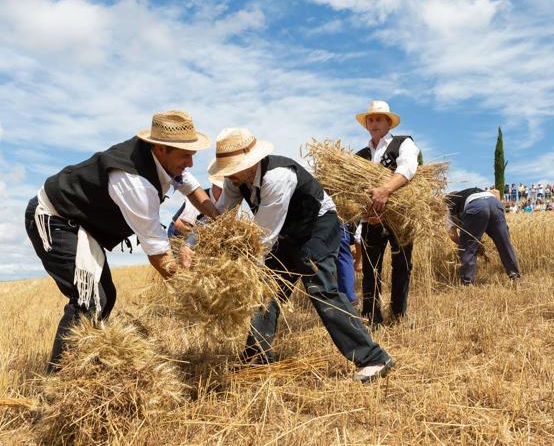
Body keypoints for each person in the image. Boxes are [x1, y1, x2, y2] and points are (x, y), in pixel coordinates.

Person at [25, 110, 218, 372]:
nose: (190, 163)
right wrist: (192, 293)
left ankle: (81, 364)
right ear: (161, 149)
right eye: (186, 155)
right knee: (89, 300)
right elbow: (159, 255)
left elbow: (194, 191)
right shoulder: (134, 182)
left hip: (82, 224)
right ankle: (56, 382)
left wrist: (222, 220)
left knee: (105, 297)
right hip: (54, 218)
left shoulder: (165, 161)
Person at [209, 128, 394, 383]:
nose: (228, 174)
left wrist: (238, 269)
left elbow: (261, 238)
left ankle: (373, 358)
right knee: (266, 291)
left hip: (316, 226)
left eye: (233, 167)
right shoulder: (236, 180)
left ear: (250, 163)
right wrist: (202, 243)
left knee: (322, 290)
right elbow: (222, 216)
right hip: (283, 232)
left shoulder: (277, 176)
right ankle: (256, 358)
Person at [354, 100, 420, 327]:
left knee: (402, 264)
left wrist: (385, 191)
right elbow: (354, 192)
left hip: (400, 217)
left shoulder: (404, 143)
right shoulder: (359, 156)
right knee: (371, 268)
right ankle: (372, 317)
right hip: (371, 220)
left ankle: (398, 313)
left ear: (389, 123)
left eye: (379, 119)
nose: (374, 123)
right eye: (370, 119)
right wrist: (366, 213)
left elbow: (409, 168)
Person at [446, 188, 520, 285]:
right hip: (494, 203)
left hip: (476, 206)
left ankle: (467, 284)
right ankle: (515, 277)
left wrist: (472, 244)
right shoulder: (470, 193)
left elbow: (453, 235)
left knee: (467, 247)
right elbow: (496, 191)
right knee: (504, 243)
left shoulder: (448, 207)